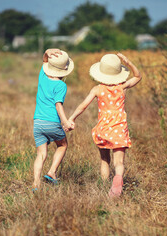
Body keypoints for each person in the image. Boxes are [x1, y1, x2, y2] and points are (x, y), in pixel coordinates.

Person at [68, 53, 142, 197]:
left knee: (104, 160)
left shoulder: (97, 89)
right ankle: (118, 181)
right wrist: (128, 62)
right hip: (119, 128)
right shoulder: (123, 87)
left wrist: (71, 118)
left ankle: (104, 186)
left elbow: (83, 106)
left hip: (103, 129)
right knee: (119, 162)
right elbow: (138, 76)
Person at [32, 48, 74, 192]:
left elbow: (44, 59)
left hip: (37, 122)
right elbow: (58, 105)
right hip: (52, 122)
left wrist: (47, 51)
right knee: (62, 145)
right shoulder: (61, 85)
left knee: (41, 154)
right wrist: (65, 122)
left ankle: (36, 184)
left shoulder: (42, 76)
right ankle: (52, 172)